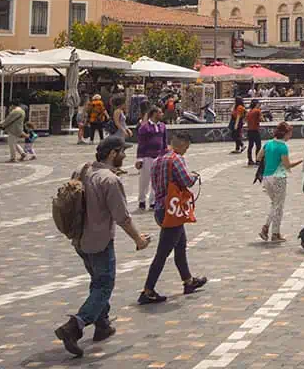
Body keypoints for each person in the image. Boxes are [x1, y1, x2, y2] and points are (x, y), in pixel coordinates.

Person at [54, 135, 152, 357]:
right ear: (112, 154)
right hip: (99, 242)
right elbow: (122, 218)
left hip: (79, 239)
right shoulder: (109, 180)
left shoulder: (82, 169)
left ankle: (102, 324)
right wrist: (138, 239)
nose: (125, 155)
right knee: (104, 285)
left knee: (97, 281)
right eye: (122, 151)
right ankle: (75, 326)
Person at [138, 131, 207, 303]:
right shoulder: (176, 159)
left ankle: (188, 281)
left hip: (161, 209)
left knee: (180, 245)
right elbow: (186, 181)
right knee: (162, 253)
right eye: (187, 147)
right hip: (173, 210)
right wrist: (195, 176)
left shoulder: (157, 160)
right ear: (182, 144)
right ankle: (148, 290)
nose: (186, 151)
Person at [257, 122, 301, 242]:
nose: (290, 137)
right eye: (289, 134)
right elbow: (287, 165)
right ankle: (271, 231)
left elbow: (258, 157)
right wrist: (301, 161)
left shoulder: (268, 143)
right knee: (278, 206)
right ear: (285, 134)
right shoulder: (283, 147)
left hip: (266, 177)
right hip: (279, 177)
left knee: (274, 203)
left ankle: (270, 231)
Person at [135, 107, 167, 210]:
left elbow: (164, 141)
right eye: (160, 112)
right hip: (147, 157)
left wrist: (165, 154)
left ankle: (153, 201)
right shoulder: (144, 128)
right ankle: (142, 200)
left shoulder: (162, 126)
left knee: (157, 180)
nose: (162, 114)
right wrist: (139, 159)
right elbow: (141, 144)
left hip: (159, 157)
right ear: (154, 114)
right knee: (144, 180)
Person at [245, 101, 263, 166]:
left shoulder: (249, 112)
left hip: (249, 130)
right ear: (256, 104)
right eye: (258, 104)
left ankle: (250, 160)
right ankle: (258, 160)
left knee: (250, 146)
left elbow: (246, 120)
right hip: (255, 130)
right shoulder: (258, 111)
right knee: (258, 146)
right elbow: (262, 119)